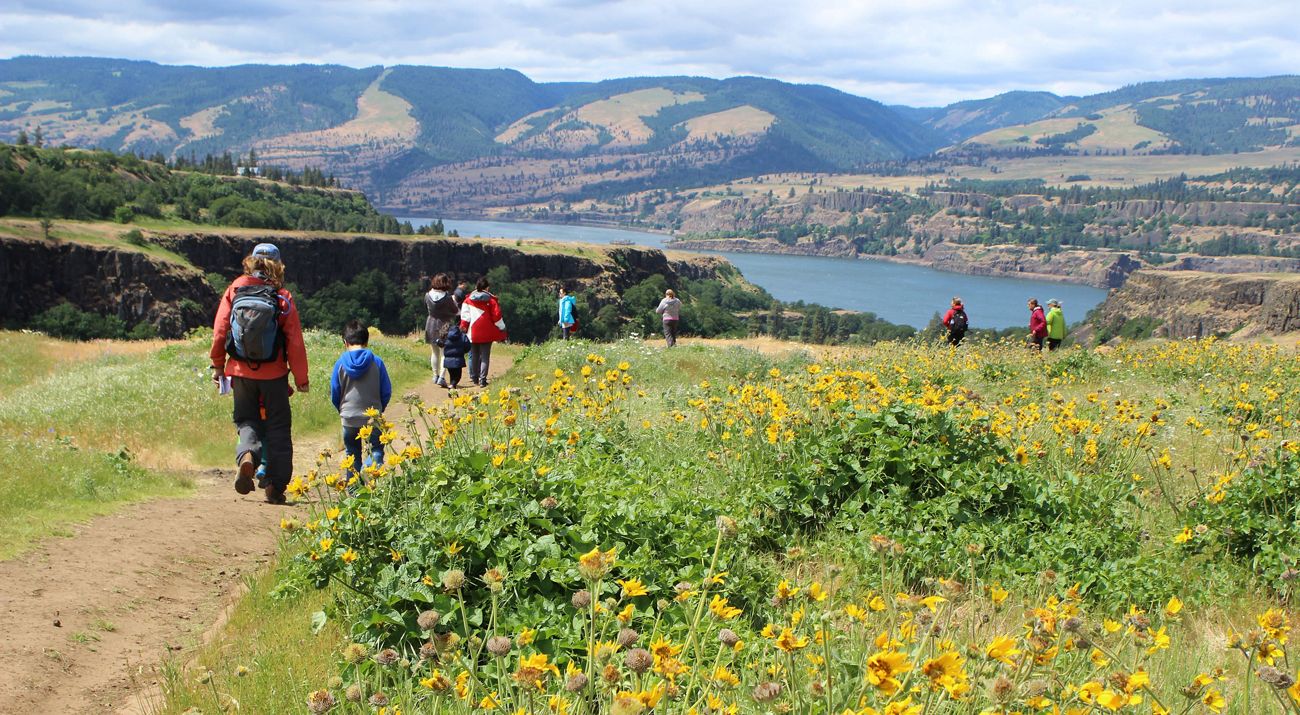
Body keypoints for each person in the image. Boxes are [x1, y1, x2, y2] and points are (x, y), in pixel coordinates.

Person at [209, 243, 308, 504]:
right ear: (279, 265)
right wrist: (301, 379)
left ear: (251, 261)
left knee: (246, 420)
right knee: (278, 429)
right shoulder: (282, 296)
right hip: (274, 375)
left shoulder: (235, 289)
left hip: (240, 372)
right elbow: (294, 341)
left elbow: (220, 331)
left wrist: (218, 365)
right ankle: (276, 487)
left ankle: (247, 457)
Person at [329, 321, 392, 481]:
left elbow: (335, 392)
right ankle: (369, 469)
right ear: (366, 342)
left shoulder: (340, 363)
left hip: (349, 417)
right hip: (373, 417)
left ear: (345, 342)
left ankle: (354, 490)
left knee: (352, 453)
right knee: (376, 448)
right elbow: (386, 391)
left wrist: (342, 410)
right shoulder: (376, 362)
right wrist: (379, 408)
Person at [460, 276, 507, 388]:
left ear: (476, 287)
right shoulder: (491, 301)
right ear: (487, 288)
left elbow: (465, 317)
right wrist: (502, 328)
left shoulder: (468, 300)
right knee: (485, 356)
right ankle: (482, 380)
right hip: (487, 332)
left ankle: (475, 378)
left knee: (474, 354)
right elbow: (497, 317)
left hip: (473, 332)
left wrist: (464, 328)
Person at [424, 273, 459, 387]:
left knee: (434, 352)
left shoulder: (427, 295)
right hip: (444, 325)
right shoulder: (447, 297)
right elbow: (455, 311)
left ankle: (435, 375)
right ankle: (442, 377)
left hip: (430, 324)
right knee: (445, 353)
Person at [441, 323, 471, 389]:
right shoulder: (462, 336)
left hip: (448, 361)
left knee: (452, 376)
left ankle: (452, 391)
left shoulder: (445, 336)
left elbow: (441, 344)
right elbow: (468, 346)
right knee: (457, 377)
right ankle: (452, 386)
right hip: (458, 360)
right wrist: (463, 351)